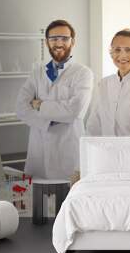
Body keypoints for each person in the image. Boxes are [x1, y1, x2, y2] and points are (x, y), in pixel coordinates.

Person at [16, 20, 93, 179]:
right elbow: (21, 108)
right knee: (38, 200)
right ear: (47, 42)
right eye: (54, 39)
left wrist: (39, 105)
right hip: (39, 151)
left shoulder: (83, 73)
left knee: (68, 200)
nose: (59, 43)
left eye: (65, 38)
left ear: (73, 41)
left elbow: (75, 111)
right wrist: (51, 120)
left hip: (69, 152)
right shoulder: (37, 73)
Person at [86, 29, 130, 136]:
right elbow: (94, 126)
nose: (122, 55)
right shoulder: (104, 84)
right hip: (103, 151)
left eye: (128, 50)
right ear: (111, 53)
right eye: (117, 50)